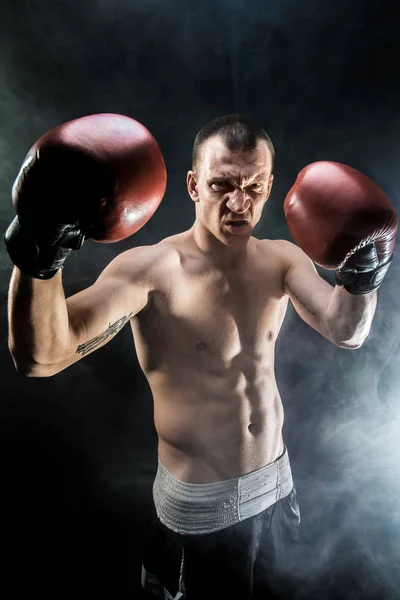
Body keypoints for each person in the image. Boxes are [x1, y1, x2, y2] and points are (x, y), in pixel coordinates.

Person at [6, 114, 397, 599]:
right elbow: (41, 356)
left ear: (271, 186)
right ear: (193, 185)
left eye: (254, 187)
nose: (239, 202)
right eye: (222, 185)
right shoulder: (152, 269)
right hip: (204, 511)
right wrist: (39, 250)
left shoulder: (282, 260)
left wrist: (364, 272)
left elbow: (347, 331)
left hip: (278, 488)